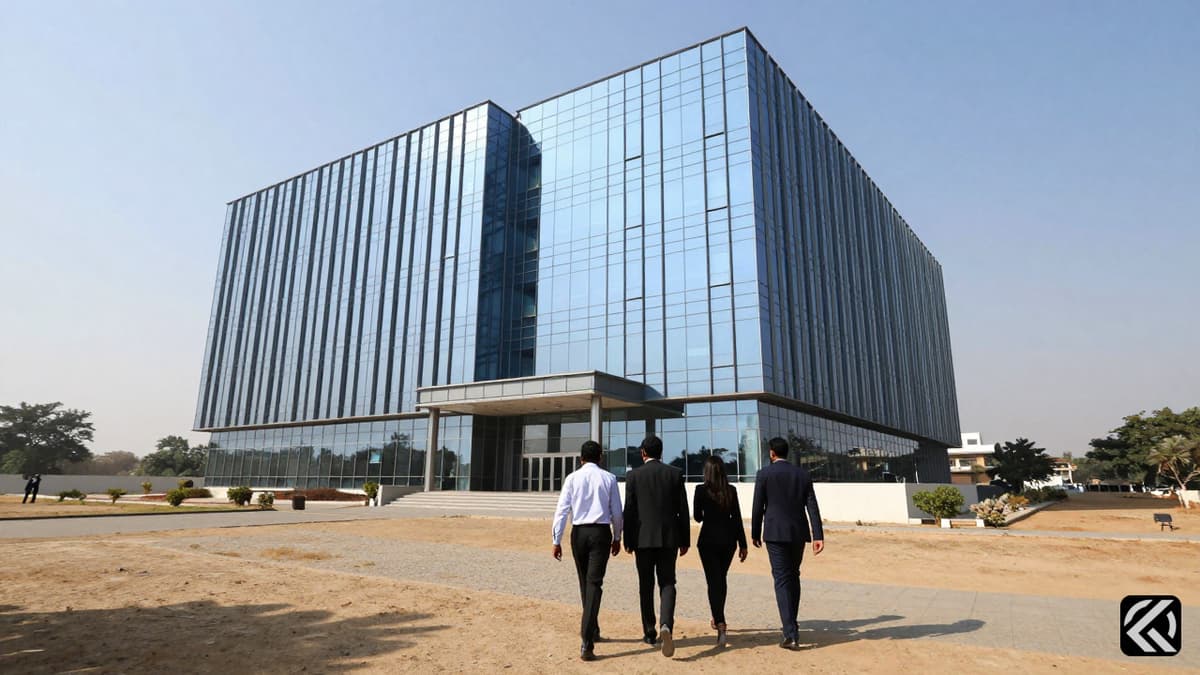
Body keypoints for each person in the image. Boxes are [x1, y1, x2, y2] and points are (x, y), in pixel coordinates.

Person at [551, 440, 623, 662]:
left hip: (579, 534)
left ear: (581, 458)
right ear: (600, 457)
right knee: (595, 584)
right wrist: (617, 536)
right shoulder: (609, 478)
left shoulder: (572, 479)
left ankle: (591, 629)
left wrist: (556, 539)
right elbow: (617, 512)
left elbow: (562, 510)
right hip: (601, 533)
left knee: (585, 582)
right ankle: (587, 638)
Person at [751, 437, 824, 650]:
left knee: (782, 579)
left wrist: (755, 532)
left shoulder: (764, 474)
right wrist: (818, 535)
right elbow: (812, 506)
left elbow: (758, 506)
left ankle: (790, 633)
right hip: (798, 533)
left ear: (772, 453)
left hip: (774, 533)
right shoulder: (802, 474)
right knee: (793, 576)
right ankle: (792, 624)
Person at [623, 434, 689, 658]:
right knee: (668, 582)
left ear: (643, 453)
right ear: (661, 452)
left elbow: (629, 511)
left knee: (645, 584)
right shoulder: (675, 474)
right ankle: (666, 625)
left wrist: (628, 540)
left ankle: (649, 631)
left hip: (642, 539)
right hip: (669, 538)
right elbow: (683, 510)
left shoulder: (633, 476)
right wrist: (685, 540)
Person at [693, 456, 748, 648]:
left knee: (713, 581)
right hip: (728, 540)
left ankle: (720, 622)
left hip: (707, 540)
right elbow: (737, 518)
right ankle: (718, 618)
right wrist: (743, 544)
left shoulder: (700, 490)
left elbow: (697, 517)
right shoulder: (731, 491)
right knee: (721, 579)